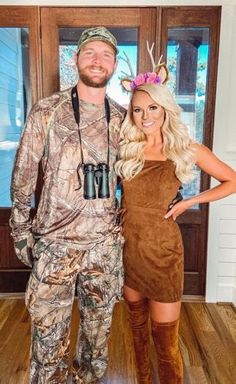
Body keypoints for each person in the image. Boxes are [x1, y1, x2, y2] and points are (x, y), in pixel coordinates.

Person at [9, 27, 126, 384]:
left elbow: (139, 175)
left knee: (96, 340)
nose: (97, 60)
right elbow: (24, 174)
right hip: (54, 246)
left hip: (103, 249)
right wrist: (19, 231)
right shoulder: (47, 111)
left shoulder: (124, 118)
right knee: (47, 340)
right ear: (75, 59)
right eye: (90, 52)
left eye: (106, 55)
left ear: (115, 64)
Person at [115, 61, 236, 384]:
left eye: (153, 107)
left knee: (165, 344)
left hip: (164, 254)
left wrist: (190, 202)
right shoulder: (128, 149)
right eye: (138, 110)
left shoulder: (186, 149)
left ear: (166, 109)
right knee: (138, 335)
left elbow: (231, 180)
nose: (146, 116)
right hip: (130, 250)